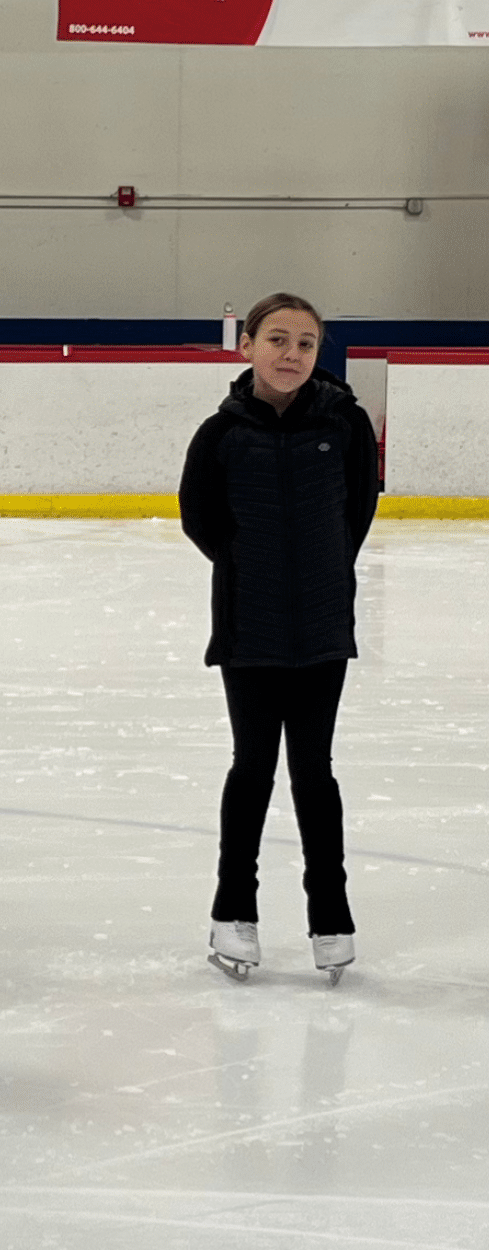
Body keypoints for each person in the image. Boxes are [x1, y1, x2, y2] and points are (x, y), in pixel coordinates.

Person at [178, 291, 379, 985]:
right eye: (278, 339)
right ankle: (235, 912)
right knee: (253, 769)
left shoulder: (346, 427)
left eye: (306, 343)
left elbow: (356, 513)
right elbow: (200, 520)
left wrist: (320, 574)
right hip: (250, 630)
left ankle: (332, 920)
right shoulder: (221, 434)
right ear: (248, 346)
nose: (291, 354)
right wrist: (249, 570)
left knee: (314, 773)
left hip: (323, 630)